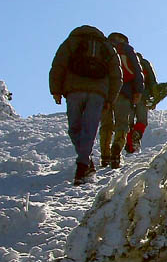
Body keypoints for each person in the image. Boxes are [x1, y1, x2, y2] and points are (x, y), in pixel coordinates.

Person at [49, 25, 122, 185]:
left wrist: (56, 90)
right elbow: (117, 75)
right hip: (98, 93)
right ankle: (85, 162)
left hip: (74, 91)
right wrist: (110, 99)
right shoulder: (106, 47)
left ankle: (82, 166)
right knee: (89, 129)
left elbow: (58, 65)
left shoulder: (71, 42)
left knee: (74, 128)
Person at [99, 32, 145, 169]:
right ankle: (116, 152)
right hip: (123, 92)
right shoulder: (126, 49)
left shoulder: (102, 48)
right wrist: (138, 91)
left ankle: (105, 155)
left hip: (104, 93)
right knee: (122, 124)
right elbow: (137, 70)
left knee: (106, 125)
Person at [127, 51, 158, 153]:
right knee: (142, 120)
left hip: (127, 95)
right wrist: (154, 98)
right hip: (143, 95)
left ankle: (130, 147)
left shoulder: (125, 61)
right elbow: (152, 81)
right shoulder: (144, 63)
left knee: (128, 123)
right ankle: (137, 133)